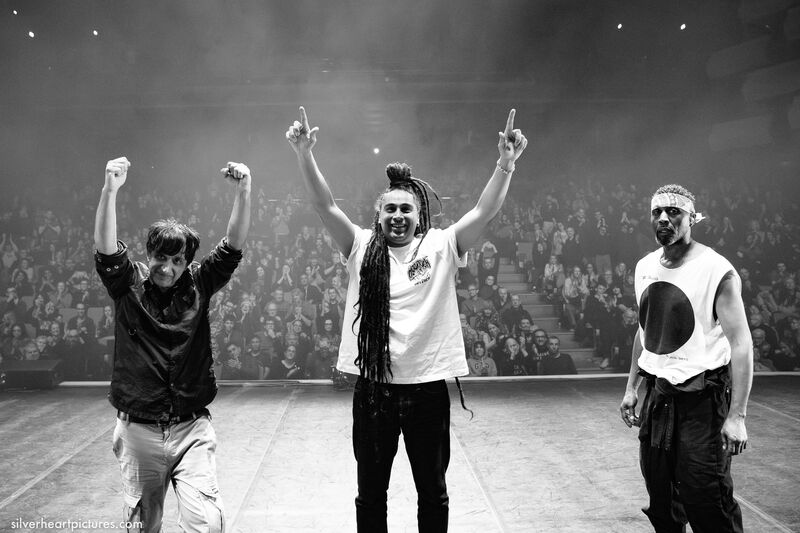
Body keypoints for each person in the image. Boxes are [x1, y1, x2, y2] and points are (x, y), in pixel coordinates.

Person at [286, 106, 526, 532]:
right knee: (370, 495)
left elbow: (483, 211)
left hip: (428, 392)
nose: (398, 216)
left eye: (406, 210)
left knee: (432, 492)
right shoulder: (359, 245)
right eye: (390, 209)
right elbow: (324, 205)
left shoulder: (441, 245)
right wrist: (305, 153)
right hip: (374, 392)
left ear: (419, 216)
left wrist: (505, 166)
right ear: (378, 216)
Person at [94, 156, 251, 532]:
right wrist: (109, 190)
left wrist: (245, 191)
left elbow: (233, 246)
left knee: (207, 524)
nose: (167, 267)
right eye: (160, 258)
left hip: (191, 428)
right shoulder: (127, 285)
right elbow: (105, 250)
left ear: (187, 262)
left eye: (177, 260)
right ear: (148, 255)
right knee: (143, 526)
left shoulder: (200, 284)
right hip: (138, 430)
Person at [619, 184, 752, 533]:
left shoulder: (716, 269)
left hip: (703, 399)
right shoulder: (645, 266)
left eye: (674, 212)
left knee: (706, 497)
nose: (664, 218)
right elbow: (644, 330)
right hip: (659, 396)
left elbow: (741, 343)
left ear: (692, 218)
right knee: (661, 497)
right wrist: (632, 387)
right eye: (657, 212)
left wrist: (737, 415)